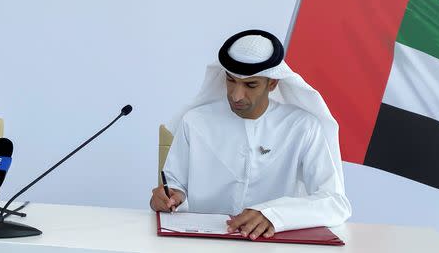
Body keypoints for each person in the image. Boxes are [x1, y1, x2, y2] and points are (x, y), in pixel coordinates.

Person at [150, 29, 351, 240]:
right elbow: (173, 186)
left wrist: (273, 215)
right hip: (203, 245)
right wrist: (170, 197)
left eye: (250, 85)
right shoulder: (195, 121)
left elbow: (336, 203)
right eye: (231, 80)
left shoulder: (302, 126)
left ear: (272, 83)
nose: (236, 96)